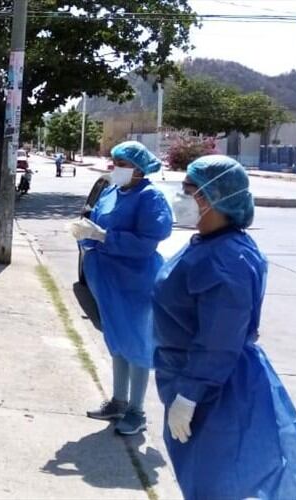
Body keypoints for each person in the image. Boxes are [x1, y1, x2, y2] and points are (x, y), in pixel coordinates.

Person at [153, 156, 296, 500]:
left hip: (216, 389)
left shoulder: (226, 260)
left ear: (211, 199)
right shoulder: (209, 245)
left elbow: (219, 338)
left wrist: (191, 393)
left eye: (188, 191)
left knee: (219, 481)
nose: (179, 199)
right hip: (188, 375)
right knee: (201, 475)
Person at [69, 141, 173, 435]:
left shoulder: (150, 197)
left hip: (136, 281)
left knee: (138, 345)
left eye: (122, 163)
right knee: (117, 341)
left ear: (138, 168)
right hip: (108, 280)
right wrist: (86, 235)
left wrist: (105, 237)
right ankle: (118, 400)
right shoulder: (113, 191)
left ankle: (137, 411)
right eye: (114, 162)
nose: (116, 168)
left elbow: (147, 243)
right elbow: (97, 225)